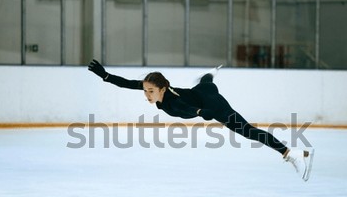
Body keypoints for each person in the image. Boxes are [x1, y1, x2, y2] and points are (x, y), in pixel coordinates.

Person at [88, 59, 314, 181]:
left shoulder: (172, 102)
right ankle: (210, 74)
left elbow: (186, 109)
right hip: (200, 90)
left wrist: (200, 113)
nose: (147, 95)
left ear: (162, 88)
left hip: (211, 103)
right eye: (146, 91)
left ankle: (289, 153)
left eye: (150, 91)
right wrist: (105, 76)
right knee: (205, 82)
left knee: (247, 131)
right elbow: (127, 83)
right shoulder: (157, 88)